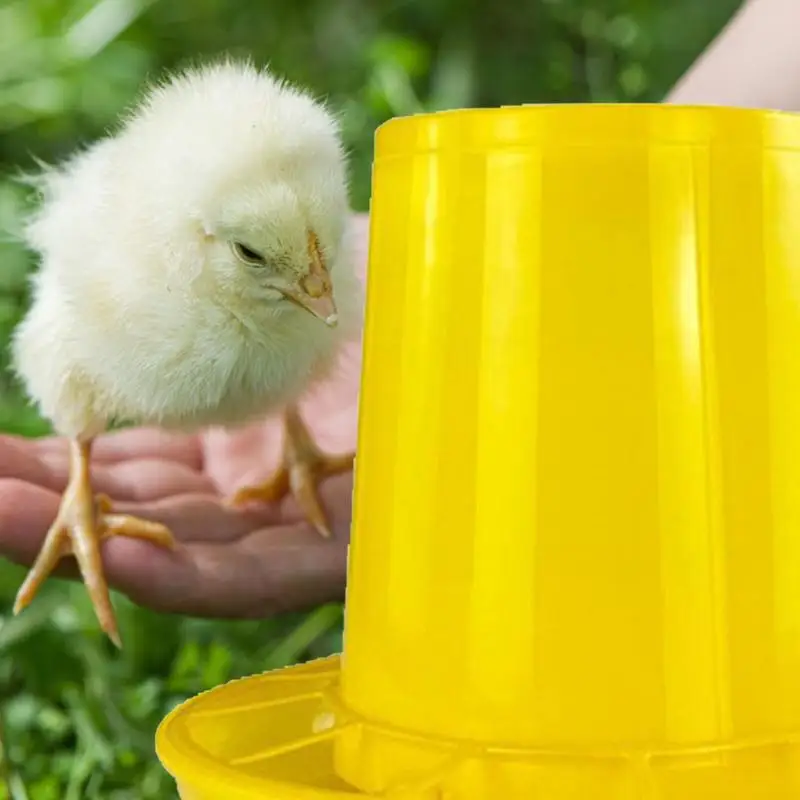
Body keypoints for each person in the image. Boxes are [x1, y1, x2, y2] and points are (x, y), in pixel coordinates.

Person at [0, 0, 795, 618]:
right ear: (198, 242)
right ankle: (76, 476)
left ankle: (301, 439)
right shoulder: (126, 262)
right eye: (262, 258)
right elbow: (65, 340)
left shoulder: (285, 234)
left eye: (321, 251)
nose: (322, 289)